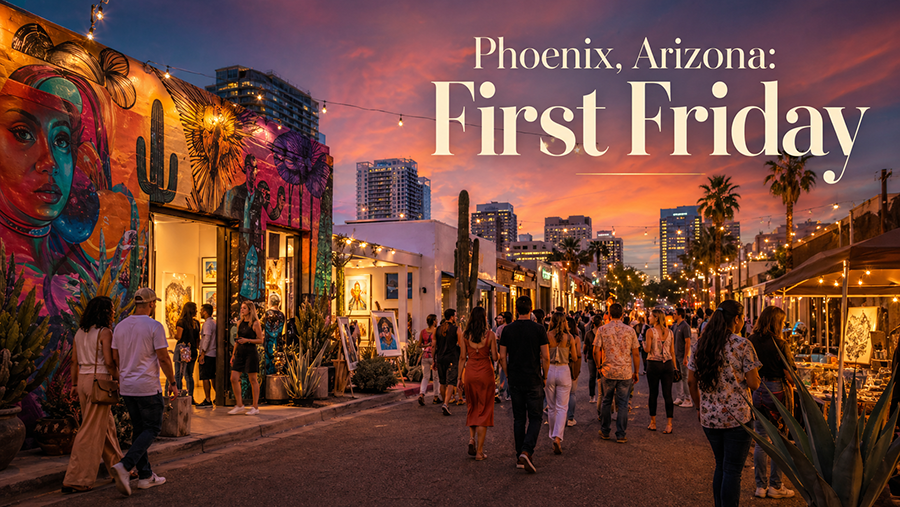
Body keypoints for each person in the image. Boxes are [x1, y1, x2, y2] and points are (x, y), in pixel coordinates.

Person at [688, 300, 761, 507]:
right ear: (737, 319)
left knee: (720, 465)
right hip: (738, 418)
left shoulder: (700, 344)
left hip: (709, 418)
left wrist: (698, 406)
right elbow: (754, 384)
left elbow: (691, 381)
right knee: (732, 470)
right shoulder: (743, 345)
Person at [109, 288, 177, 496]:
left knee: (140, 430)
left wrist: (122, 378)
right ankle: (125, 465)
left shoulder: (120, 327)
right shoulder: (154, 326)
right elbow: (164, 358)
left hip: (128, 386)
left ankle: (146, 476)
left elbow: (115, 358)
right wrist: (173, 382)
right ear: (151, 304)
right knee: (153, 427)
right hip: (147, 385)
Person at [62, 296, 124, 493]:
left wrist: (74, 384)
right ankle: (77, 479)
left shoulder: (79, 333)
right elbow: (108, 362)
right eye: (111, 309)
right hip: (100, 382)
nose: (113, 313)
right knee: (90, 430)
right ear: (105, 312)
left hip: (83, 381)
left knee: (107, 429)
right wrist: (120, 378)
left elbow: (73, 361)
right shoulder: (105, 333)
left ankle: (120, 468)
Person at [748, 306, 796, 500]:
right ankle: (776, 485)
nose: (783, 325)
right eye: (782, 322)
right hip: (776, 390)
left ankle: (761, 486)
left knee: (761, 438)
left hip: (757, 389)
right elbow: (789, 375)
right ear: (777, 322)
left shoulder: (750, 341)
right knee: (779, 439)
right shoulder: (780, 343)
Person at [499, 296, 549, 473]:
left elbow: (502, 356)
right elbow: (546, 356)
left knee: (519, 418)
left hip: (515, 378)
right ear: (531, 309)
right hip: (534, 378)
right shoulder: (539, 329)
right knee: (535, 417)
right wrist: (544, 375)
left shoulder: (507, 330)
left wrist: (507, 373)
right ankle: (527, 450)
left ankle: (519, 455)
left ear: (516, 308)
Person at [594, 303, 640, 443]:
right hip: (625, 372)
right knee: (623, 403)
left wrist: (598, 366)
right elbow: (636, 353)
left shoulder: (602, 330)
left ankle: (605, 430)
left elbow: (596, 350)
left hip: (608, 371)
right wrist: (636, 371)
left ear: (608, 313)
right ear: (622, 315)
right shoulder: (630, 331)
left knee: (607, 401)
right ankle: (621, 434)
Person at [457, 306, 498, 461]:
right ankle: (480, 452)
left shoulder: (465, 335)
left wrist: (459, 378)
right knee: (484, 409)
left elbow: (462, 358)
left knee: (472, 406)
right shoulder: (490, 335)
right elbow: (494, 357)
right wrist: (499, 354)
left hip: (471, 372)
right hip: (486, 374)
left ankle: (472, 439)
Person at [545, 312, 578, 453]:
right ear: (565, 322)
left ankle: (553, 436)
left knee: (551, 407)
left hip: (550, 370)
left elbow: (543, 355)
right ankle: (558, 437)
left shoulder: (547, 336)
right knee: (562, 407)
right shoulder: (570, 337)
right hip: (564, 370)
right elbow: (575, 358)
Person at [229, 301, 264, 415]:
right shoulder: (240, 323)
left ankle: (255, 406)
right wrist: (233, 354)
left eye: (244, 308)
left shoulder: (255, 323)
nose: (242, 310)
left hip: (250, 352)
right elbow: (238, 339)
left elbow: (260, 340)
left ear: (250, 309)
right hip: (240, 352)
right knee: (234, 378)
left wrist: (247, 340)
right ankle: (239, 404)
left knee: (253, 379)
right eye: (241, 308)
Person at [645, 309, 677, 434]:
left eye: (650, 316)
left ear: (656, 318)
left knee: (653, 393)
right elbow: (672, 351)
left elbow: (648, 349)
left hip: (654, 364)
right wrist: (674, 367)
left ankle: (653, 422)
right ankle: (669, 424)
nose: (648, 318)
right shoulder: (670, 332)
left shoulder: (650, 332)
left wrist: (643, 344)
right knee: (667, 394)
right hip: (668, 365)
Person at [434, 309, 461, 416]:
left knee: (442, 382)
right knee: (450, 382)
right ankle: (446, 403)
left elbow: (433, 346)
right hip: (452, 358)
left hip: (440, 358)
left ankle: (445, 402)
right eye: (455, 316)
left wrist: (433, 360)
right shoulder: (456, 329)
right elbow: (460, 343)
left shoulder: (437, 329)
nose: (456, 318)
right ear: (451, 317)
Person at [174, 302, 200, 404]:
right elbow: (197, 339)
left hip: (182, 350)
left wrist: (174, 333)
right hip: (193, 350)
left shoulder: (181, 322)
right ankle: (191, 397)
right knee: (189, 375)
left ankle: (179, 396)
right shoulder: (196, 323)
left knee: (178, 374)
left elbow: (178, 336)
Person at [417, 314, 440, 406]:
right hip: (434, 356)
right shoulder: (437, 331)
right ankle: (435, 396)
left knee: (425, 376)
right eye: (436, 320)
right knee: (435, 377)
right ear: (434, 321)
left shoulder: (423, 332)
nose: (437, 321)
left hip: (425, 356)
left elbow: (419, 344)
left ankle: (422, 394)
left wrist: (425, 345)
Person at [672, 308, 693, 408]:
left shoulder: (685, 326)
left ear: (680, 315)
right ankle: (679, 397)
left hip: (682, 356)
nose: (673, 315)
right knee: (677, 376)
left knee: (685, 377)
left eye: (675, 313)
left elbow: (687, 342)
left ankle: (688, 399)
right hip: (675, 355)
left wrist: (685, 357)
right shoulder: (675, 326)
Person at [564, 314, 582, 427]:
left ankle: (559, 418)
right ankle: (570, 418)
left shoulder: (559, 336)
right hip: (573, 366)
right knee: (572, 393)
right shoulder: (575, 338)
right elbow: (578, 354)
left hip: (561, 365)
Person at [198, 303, 217, 407]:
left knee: (205, 377)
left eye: (201, 310)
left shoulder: (207, 324)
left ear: (205, 312)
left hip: (208, 354)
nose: (200, 312)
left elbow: (207, 338)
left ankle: (207, 399)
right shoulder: (214, 322)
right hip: (213, 353)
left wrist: (202, 353)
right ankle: (217, 397)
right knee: (213, 377)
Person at [263, 294, 285, 374]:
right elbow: (280, 329)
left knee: (268, 361)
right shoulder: (281, 315)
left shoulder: (267, 313)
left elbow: (264, 328)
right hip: (277, 340)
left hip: (268, 340)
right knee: (276, 361)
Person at [584, 314, 602, 404]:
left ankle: (592, 396)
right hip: (601, 356)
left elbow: (585, 345)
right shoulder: (603, 333)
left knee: (592, 377)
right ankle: (600, 394)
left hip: (591, 356)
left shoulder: (588, 333)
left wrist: (584, 355)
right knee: (600, 376)